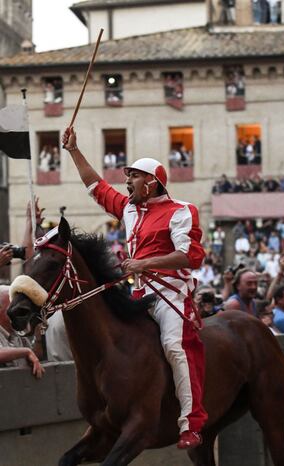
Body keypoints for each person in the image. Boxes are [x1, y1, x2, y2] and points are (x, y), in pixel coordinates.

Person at [62, 126, 207, 449]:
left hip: (172, 294)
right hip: (139, 294)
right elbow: (95, 186)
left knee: (174, 346)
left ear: (151, 182)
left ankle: (192, 422)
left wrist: (143, 264)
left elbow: (190, 256)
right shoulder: (129, 208)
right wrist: (73, 150)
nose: (126, 182)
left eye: (133, 177)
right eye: (126, 176)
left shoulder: (181, 211)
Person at [0, 286, 45, 378]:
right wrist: (26, 352)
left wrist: (38, 336)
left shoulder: (18, 333)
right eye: (13, 309)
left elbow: (35, 357)